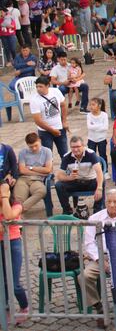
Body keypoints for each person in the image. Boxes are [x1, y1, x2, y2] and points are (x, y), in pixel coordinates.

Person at [79, 189, 116, 328]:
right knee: (84, 276)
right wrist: (100, 260)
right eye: (109, 201)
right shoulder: (94, 218)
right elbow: (88, 243)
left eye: (115, 202)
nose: (111, 205)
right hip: (100, 255)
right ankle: (99, 307)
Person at [0, 181, 28, 323]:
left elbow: (9, 216)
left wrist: (5, 198)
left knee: (14, 281)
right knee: (2, 281)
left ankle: (24, 306)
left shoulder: (16, 205)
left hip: (13, 243)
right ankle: (5, 309)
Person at [54, 136, 104, 215]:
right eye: (73, 147)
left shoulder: (90, 154)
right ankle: (67, 210)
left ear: (83, 146)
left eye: (78, 146)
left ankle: (98, 210)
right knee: (58, 185)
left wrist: (99, 188)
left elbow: (99, 172)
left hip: (90, 181)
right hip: (75, 182)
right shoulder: (67, 156)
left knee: (101, 182)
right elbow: (59, 176)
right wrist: (69, 178)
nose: (75, 149)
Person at [29, 75, 68, 157]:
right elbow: (38, 121)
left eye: (41, 86)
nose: (38, 89)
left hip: (59, 127)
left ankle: (67, 169)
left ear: (47, 86)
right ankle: (49, 170)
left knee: (65, 153)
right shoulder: (34, 99)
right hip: (45, 131)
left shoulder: (55, 91)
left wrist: (64, 121)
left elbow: (63, 105)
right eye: (37, 86)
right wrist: (52, 130)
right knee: (47, 155)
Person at [15, 133, 52, 211]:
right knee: (18, 198)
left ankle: (18, 211)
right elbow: (22, 170)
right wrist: (41, 172)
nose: (34, 148)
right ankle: (17, 213)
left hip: (37, 180)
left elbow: (48, 169)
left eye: (36, 145)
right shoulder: (23, 152)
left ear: (39, 141)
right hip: (23, 179)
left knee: (41, 191)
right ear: (27, 145)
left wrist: (31, 168)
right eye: (31, 147)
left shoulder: (47, 151)